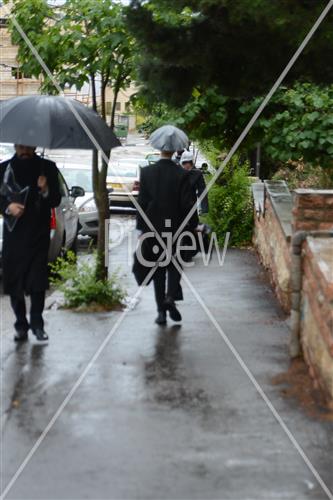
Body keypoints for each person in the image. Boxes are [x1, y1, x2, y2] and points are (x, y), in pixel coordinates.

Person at [0, 144, 61, 342]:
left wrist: (46, 189)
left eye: (28, 147)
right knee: (14, 280)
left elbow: (56, 200)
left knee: (37, 282)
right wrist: (8, 207)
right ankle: (20, 325)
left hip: (38, 234)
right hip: (14, 234)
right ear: (15, 146)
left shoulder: (48, 168)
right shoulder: (4, 169)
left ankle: (37, 325)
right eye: (20, 147)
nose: (24, 150)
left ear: (34, 146)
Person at [134, 149, 198, 325]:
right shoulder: (181, 174)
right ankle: (170, 297)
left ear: (160, 150)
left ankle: (161, 313)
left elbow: (142, 203)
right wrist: (192, 226)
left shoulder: (147, 172)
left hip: (152, 228)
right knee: (175, 264)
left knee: (158, 270)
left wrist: (140, 229)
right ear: (173, 151)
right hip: (176, 227)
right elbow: (187, 204)